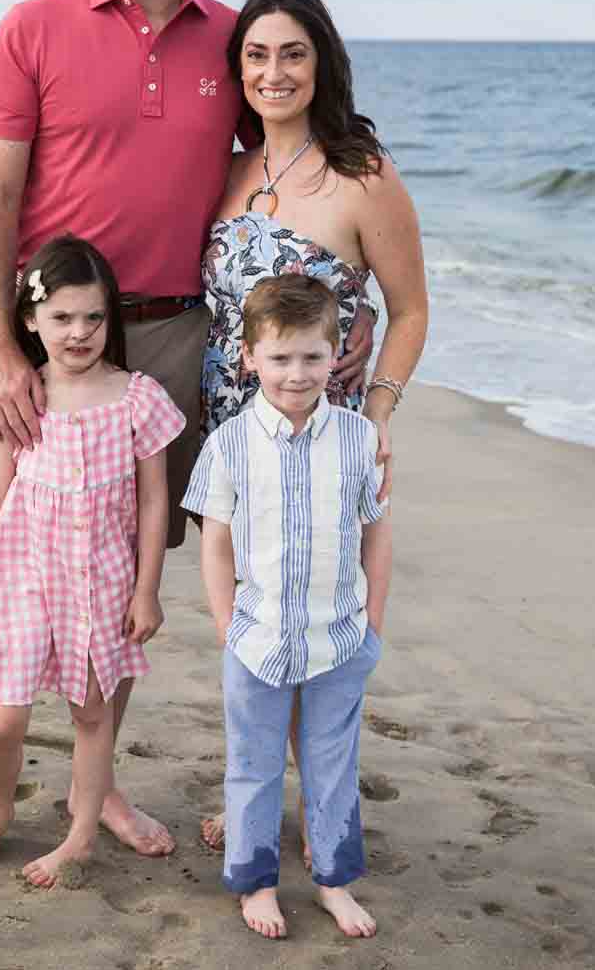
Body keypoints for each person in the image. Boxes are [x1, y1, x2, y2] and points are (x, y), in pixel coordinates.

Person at [0, 0, 374, 854]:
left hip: (172, 344)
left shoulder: (231, 37)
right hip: (45, 345)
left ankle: (94, 786)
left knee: (114, 575)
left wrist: (349, 294)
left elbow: (283, 167)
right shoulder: (32, 28)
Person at [197, 0, 429, 850]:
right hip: (235, 436)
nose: (273, 71)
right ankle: (258, 795)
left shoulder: (363, 174)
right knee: (252, 619)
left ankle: (319, 805)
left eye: (293, 52)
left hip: (328, 441)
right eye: (256, 54)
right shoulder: (225, 168)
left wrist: (376, 418)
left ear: (321, 61)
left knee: (325, 621)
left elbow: (410, 309)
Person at [0, 235, 185, 885]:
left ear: (111, 318)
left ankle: (80, 833)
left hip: (102, 585)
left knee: (91, 714)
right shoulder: (21, 400)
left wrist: (146, 591)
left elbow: (154, 502)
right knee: (3, 719)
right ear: (30, 319)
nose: (79, 332)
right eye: (61, 317)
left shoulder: (137, 398)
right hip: (26, 581)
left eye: (93, 317)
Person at [186, 274, 393, 940]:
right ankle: (257, 881)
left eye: (311, 357)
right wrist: (225, 623)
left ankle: (334, 881)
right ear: (249, 357)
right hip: (257, 638)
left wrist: (374, 626)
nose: (296, 373)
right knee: (254, 763)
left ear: (336, 355)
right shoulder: (230, 446)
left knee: (333, 763)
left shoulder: (361, 441)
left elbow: (376, 531)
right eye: (280, 358)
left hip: (340, 637)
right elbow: (216, 541)